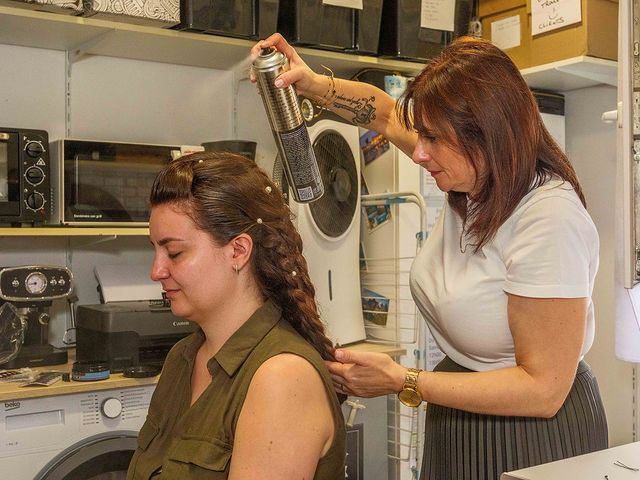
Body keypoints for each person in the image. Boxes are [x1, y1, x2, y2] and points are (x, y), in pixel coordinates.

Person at [251, 34, 608, 479]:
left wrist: (404, 381)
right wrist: (309, 83)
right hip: (458, 418)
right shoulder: (474, 179)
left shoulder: (549, 218)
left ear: (489, 137)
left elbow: (543, 390)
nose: (418, 153)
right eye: (421, 133)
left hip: (534, 434)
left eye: (434, 139)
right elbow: (381, 112)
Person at [126, 151, 345, 479]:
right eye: (155, 251)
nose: (156, 271)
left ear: (238, 251)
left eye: (175, 253)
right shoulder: (182, 359)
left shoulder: (281, 378)